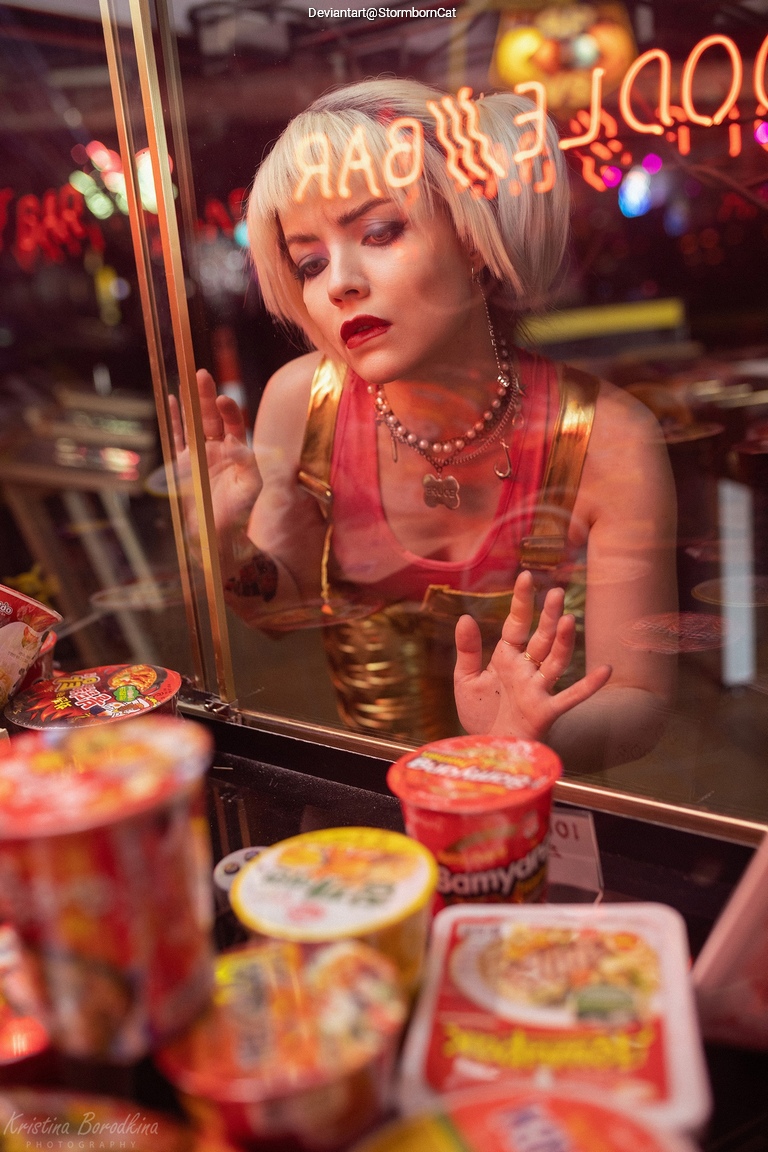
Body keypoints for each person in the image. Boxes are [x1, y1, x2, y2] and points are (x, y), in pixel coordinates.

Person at [172, 78, 677, 771]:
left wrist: (526, 738)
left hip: (551, 824)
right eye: (309, 262)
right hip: (374, 833)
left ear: (471, 237)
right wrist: (224, 539)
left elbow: (642, 699)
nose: (340, 283)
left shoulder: (609, 440)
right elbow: (279, 610)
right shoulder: (301, 402)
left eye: (380, 232)